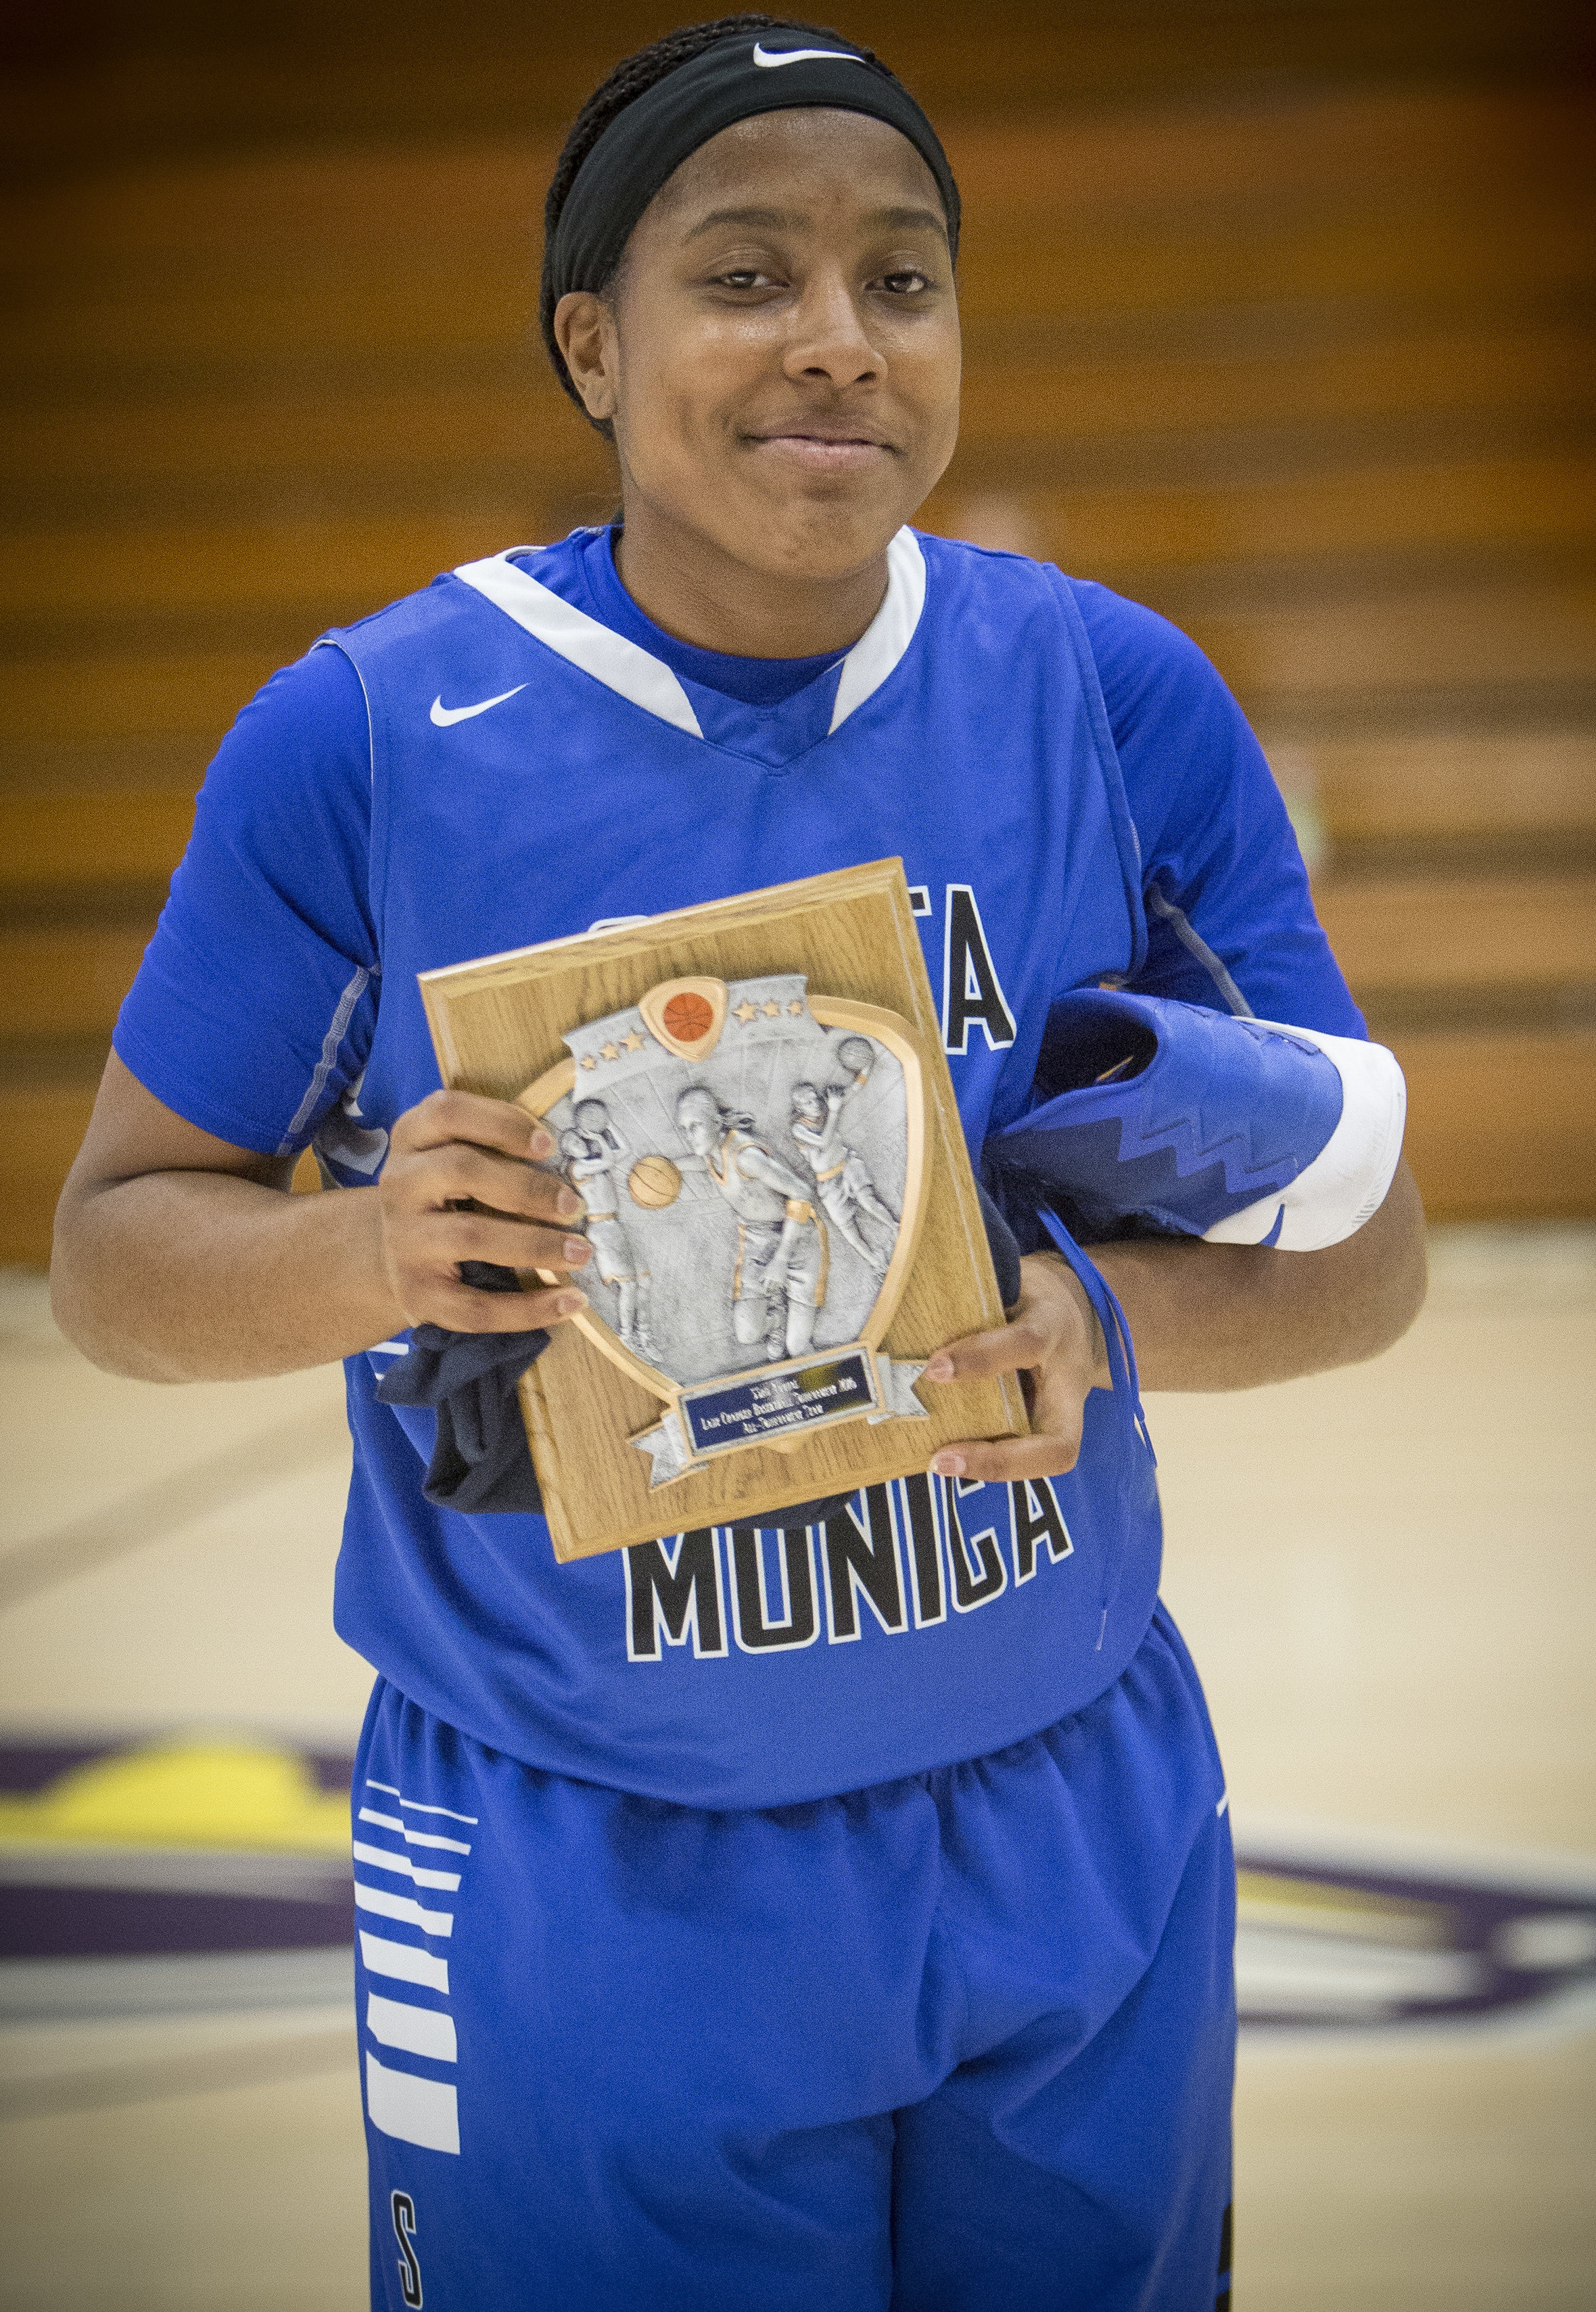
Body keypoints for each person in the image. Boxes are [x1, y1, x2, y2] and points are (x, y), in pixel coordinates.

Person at [50, 17, 1427, 2309]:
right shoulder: (370, 731)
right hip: (589, 1849)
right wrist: (374, 1247)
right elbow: (114, 1252)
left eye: (904, 280)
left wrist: (1115, 1317)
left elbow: (1368, 1242)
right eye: (748, 274)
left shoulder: (1107, 690)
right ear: (593, 341)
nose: (837, 340)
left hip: (1071, 1802)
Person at [671, 1082, 827, 1358]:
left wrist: (780, 1261)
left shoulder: (746, 1156)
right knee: (747, 1335)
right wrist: (663, 1168)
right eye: (683, 1129)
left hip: (798, 1236)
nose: (688, 1136)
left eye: (694, 1126)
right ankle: (778, 1317)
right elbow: (694, 1161)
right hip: (758, 1237)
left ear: (717, 1122)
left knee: (798, 1348)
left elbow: (803, 1194)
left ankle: (787, 1305)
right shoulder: (709, 1152)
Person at [556, 1097, 658, 1361]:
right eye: (574, 1144)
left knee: (643, 1282)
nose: (580, 1145)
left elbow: (624, 1149)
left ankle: (645, 1335)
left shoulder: (595, 1160)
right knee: (629, 1287)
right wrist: (599, 1136)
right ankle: (627, 1337)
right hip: (602, 1228)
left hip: (615, 1224)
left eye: (580, 1141)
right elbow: (611, 1158)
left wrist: (608, 1125)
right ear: (568, 1152)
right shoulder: (578, 1167)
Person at [791, 1060, 899, 1273]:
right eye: (808, 1102)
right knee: (847, 1228)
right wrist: (833, 1111)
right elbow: (823, 1142)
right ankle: (876, 1263)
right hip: (828, 1182)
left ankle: (896, 1229)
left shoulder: (827, 1109)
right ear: (799, 1108)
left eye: (816, 1098)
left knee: (868, 1201)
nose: (815, 1104)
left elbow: (851, 1092)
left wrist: (865, 1068)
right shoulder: (798, 1128)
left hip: (847, 1164)